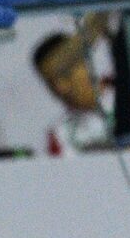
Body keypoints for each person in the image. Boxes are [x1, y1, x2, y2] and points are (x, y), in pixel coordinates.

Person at [32, 15, 115, 156]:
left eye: (65, 75)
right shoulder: (59, 135)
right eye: (51, 82)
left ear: (86, 63)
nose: (60, 88)